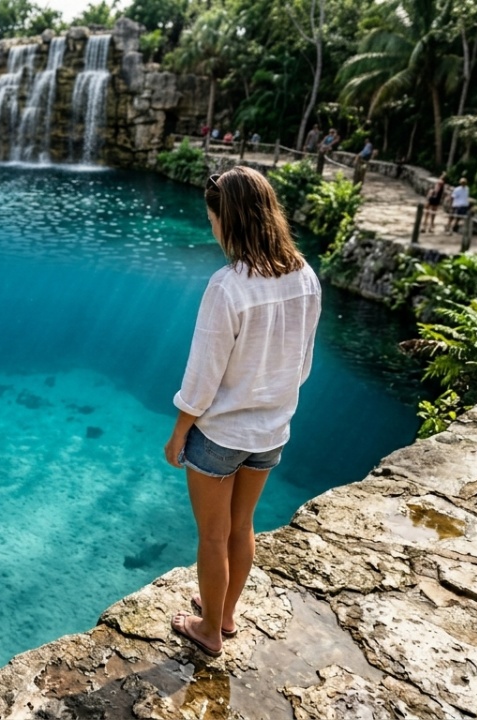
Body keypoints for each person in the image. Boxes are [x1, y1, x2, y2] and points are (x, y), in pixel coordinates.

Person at [165, 167, 321, 658]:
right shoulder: (305, 275)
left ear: (228, 219)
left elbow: (202, 375)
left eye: (212, 218)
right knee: (242, 526)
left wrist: (178, 433)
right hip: (272, 429)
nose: (211, 228)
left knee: (212, 536)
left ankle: (208, 630)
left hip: (219, 435)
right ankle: (226, 613)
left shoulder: (228, 286)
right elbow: (303, 364)